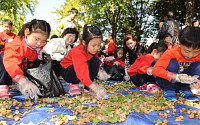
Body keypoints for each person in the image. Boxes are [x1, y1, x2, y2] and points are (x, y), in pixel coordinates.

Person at [0, 19, 51, 100]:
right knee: (3, 56)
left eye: (43, 41)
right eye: (37, 39)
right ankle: (2, 86)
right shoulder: (15, 45)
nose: (39, 44)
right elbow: (11, 63)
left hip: (25, 70)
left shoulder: (40, 46)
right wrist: (22, 81)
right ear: (27, 32)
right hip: (12, 71)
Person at [152, 26, 200, 102]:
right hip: (166, 83)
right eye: (187, 51)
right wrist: (175, 76)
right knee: (172, 63)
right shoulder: (171, 53)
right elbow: (155, 70)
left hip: (185, 85)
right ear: (179, 43)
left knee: (198, 65)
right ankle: (169, 91)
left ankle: (185, 91)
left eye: (196, 52)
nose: (190, 55)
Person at [60, 24, 107, 100]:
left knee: (96, 61)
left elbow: (94, 64)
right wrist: (96, 89)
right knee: (86, 64)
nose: (97, 48)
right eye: (94, 45)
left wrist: (100, 72)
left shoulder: (92, 51)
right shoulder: (78, 52)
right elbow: (81, 71)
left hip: (82, 69)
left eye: (99, 45)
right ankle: (74, 85)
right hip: (68, 71)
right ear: (84, 43)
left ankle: (87, 86)